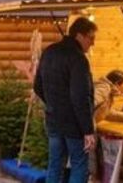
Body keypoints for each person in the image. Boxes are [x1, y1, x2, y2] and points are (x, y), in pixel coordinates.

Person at [33, 17, 97, 183]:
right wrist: (88, 130)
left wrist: (53, 104)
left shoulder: (49, 51)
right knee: (79, 165)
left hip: (53, 120)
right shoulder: (78, 59)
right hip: (74, 125)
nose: (93, 43)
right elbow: (80, 96)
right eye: (91, 38)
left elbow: (37, 86)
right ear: (80, 36)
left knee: (55, 166)